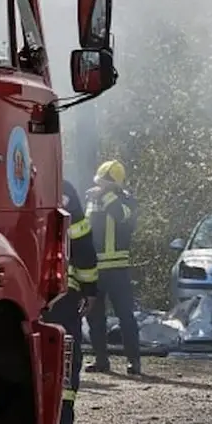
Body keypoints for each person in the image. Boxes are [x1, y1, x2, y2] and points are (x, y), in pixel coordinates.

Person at [47, 179, 99, 424]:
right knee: (64, 367)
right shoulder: (62, 189)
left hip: (17, 293)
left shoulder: (4, 181)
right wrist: (90, 291)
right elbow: (81, 244)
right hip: (62, 296)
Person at [83, 160, 142, 376]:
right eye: (100, 183)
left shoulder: (127, 201)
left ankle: (134, 362)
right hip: (94, 270)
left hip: (117, 270)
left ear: (116, 185)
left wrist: (105, 195)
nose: (101, 187)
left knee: (126, 316)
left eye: (106, 183)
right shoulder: (93, 201)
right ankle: (101, 360)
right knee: (95, 317)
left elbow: (120, 216)